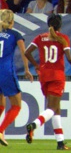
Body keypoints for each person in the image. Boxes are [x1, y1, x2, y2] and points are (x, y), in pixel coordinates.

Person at [25, 14, 71, 150]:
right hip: (57, 76)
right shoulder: (62, 38)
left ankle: (60, 142)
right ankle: (34, 124)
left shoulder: (40, 37)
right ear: (60, 25)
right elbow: (69, 57)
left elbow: (27, 52)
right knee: (52, 108)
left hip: (44, 76)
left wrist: (36, 65)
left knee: (56, 109)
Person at [0, 9, 33, 146]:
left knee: (1, 105)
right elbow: (24, 52)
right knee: (16, 105)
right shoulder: (15, 34)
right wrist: (26, 69)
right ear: (12, 21)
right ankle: (0, 131)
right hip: (6, 72)